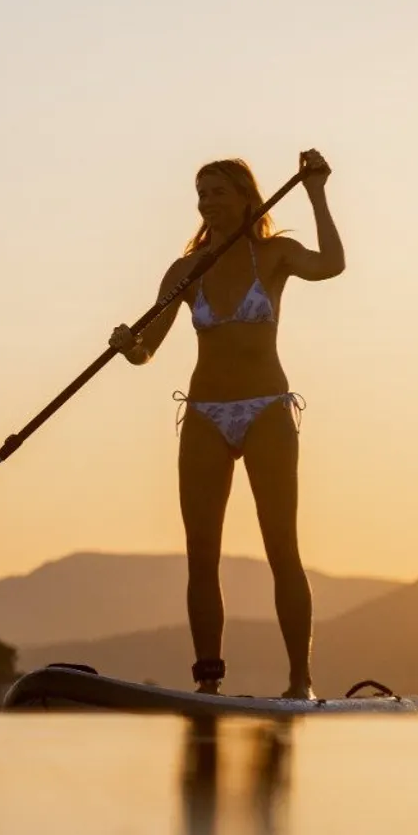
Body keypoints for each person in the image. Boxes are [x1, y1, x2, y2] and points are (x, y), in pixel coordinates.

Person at [109, 151, 342, 699]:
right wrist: (128, 346)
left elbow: (331, 263)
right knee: (201, 554)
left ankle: (299, 683)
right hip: (204, 415)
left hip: (266, 409)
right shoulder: (186, 270)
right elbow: (149, 351)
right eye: (201, 193)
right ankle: (208, 682)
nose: (207, 201)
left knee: (282, 548)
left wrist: (316, 191)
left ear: (244, 198)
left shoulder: (276, 254)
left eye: (217, 192)